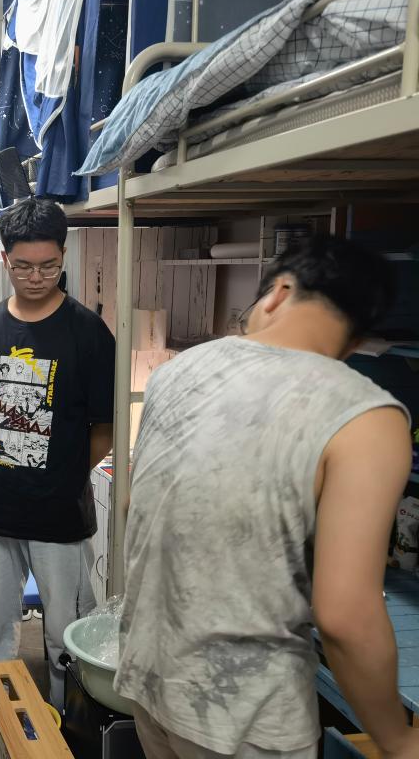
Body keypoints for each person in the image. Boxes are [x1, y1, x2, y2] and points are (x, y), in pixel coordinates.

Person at [118, 235, 419, 759]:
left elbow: (134, 507)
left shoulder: (174, 372)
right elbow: (346, 616)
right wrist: (398, 739)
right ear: (358, 339)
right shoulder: (366, 417)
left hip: (149, 683)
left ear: (277, 294)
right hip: (245, 716)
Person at [0, 197, 115, 747]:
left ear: (64, 256)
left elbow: (104, 427)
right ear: (5, 259)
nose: (37, 277)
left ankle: (69, 727)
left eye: (49, 265)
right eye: (23, 266)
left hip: (60, 515)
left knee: (66, 634)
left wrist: (66, 476)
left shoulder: (89, 333)